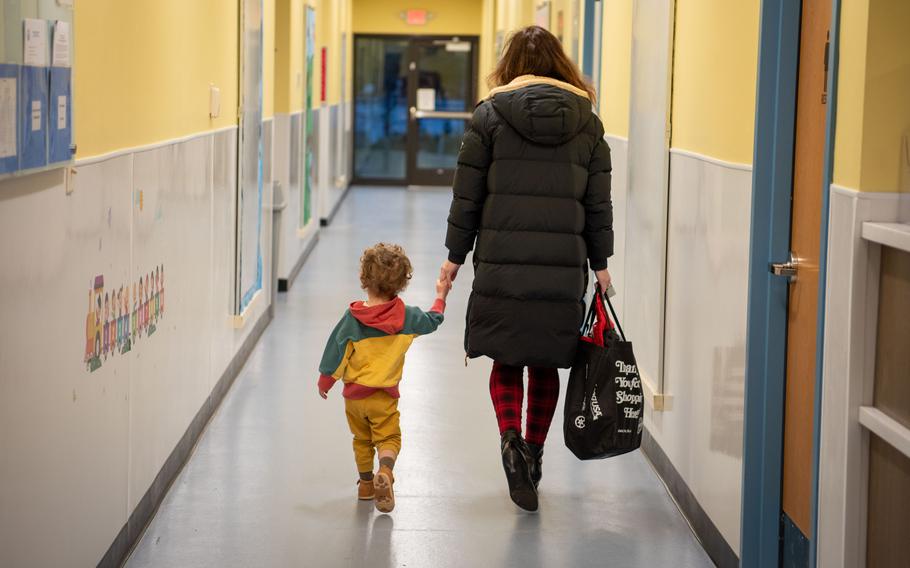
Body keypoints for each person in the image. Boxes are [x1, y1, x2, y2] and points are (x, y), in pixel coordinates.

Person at [440, 25, 614, 512]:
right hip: (562, 268)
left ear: (508, 65)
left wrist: (454, 258)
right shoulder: (588, 122)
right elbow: (598, 203)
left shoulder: (489, 116)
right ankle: (533, 455)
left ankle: (510, 442)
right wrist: (600, 263)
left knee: (506, 356)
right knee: (547, 359)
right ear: (562, 64)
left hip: (501, 262)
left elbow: (466, 197)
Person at [317, 243, 451, 513]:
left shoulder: (353, 318)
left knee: (361, 440)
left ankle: (366, 485)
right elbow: (434, 320)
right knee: (388, 438)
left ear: (364, 279)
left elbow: (336, 349)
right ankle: (386, 473)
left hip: (354, 398)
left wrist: (325, 380)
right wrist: (441, 295)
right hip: (384, 397)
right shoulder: (407, 317)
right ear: (401, 284)